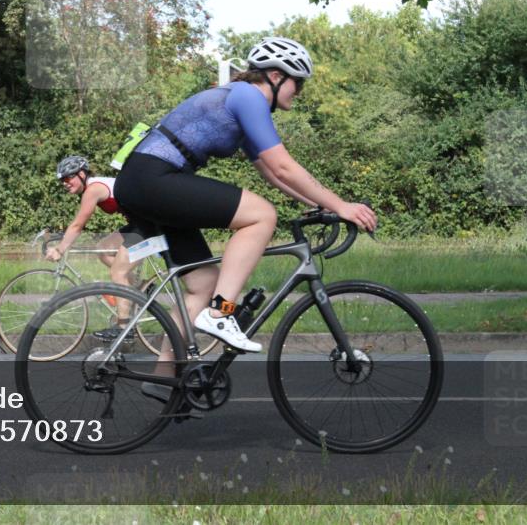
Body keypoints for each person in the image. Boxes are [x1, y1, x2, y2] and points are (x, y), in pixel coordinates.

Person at [114, 36, 377, 384]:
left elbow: (272, 173)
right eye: (297, 82)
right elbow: (283, 167)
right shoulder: (248, 96)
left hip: (144, 181)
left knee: (202, 283)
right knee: (262, 216)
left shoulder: (243, 102)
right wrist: (342, 205)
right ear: (275, 75)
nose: (299, 91)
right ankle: (222, 313)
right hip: (152, 177)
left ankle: (165, 380)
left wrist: (320, 206)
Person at [46, 155, 144, 341]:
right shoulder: (94, 186)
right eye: (62, 181)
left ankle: (124, 328)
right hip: (138, 224)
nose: (65, 183)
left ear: (82, 174)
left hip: (147, 226)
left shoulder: (94, 189)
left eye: (68, 178)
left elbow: (77, 225)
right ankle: (138, 290)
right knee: (104, 249)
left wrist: (60, 249)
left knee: (118, 273)